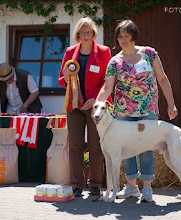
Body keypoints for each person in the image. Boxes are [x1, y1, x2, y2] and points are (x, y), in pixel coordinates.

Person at [96, 19, 178, 202]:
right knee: (125, 149)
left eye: (127, 36)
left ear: (134, 36)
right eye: (120, 37)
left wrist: (171, 104)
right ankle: (131, 187)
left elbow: (162, 79)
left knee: (147, 149)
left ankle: (147, 188)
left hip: (148, 109)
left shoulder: (150, 54)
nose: (123, 40)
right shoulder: (114, 62)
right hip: (123, 112)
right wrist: (97, 106)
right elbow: (107, 88)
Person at [58, 17, 112, 197]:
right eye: (83, 33)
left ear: (94, 34)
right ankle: (76, 185)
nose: (86, 36)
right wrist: (66, 77)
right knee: (75, 146)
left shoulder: (104, 52)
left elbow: (107, 81)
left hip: (95, 107)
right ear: (78, 35)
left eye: (89, 32)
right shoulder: (70, 52)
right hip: (74, 107)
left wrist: (95, 100)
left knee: (96, 146)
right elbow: (61, 79)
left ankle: (96, 184)